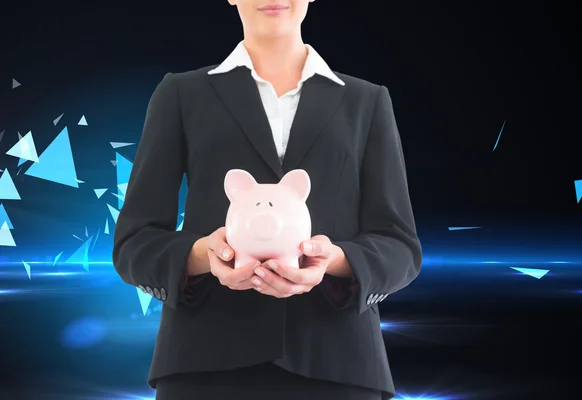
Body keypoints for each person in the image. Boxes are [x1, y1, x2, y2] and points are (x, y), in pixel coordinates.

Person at [112, 0, 423, 399]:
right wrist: (205, 254)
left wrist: (337, 261)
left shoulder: (367, 101)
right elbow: (133, 242)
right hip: (204, 363)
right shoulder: (180, 94)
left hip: (338, 364)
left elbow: (400, 245)